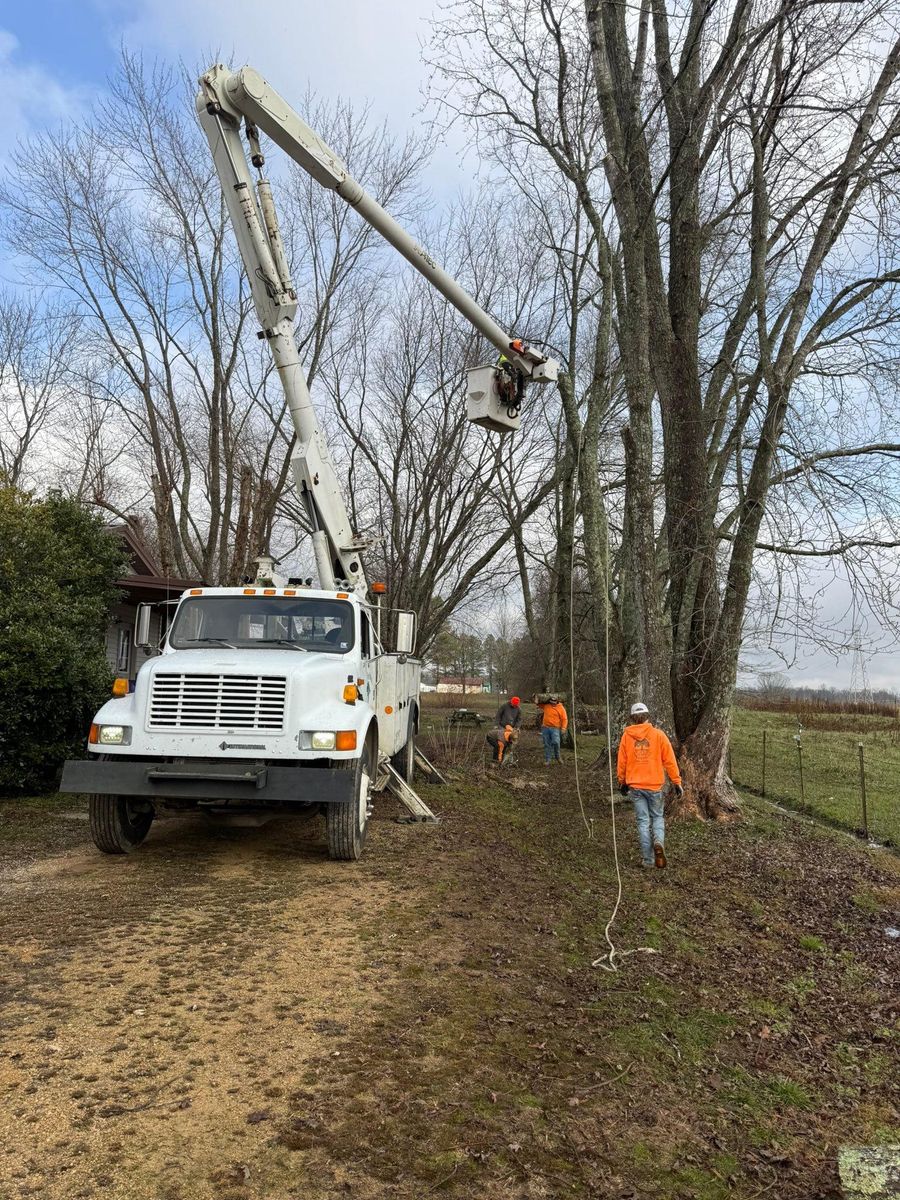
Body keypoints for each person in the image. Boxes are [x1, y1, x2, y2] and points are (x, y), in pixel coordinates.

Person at [616, 702, 683, 869]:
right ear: (647, 716)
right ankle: (658, 842)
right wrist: (676, 782)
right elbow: (670, 760)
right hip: (654, 787)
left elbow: (621, 762)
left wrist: (622, 781)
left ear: (632, 718)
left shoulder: (626, 737)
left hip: (636, 787)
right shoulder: (659, 735)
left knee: (642, 822)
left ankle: (648, 860)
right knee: (657, 818)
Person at [538, 694, 568, 765]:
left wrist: (564, 728)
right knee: (547, 744)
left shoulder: (561, 708)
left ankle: (558, 757)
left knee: (556, 742)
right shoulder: (546, 705)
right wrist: (536, 699)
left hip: (555, 728)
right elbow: (538, 704)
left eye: (554, 701)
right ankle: (547, 760)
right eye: (551, 701)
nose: (552, 703)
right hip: (545, 727)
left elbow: (564, 719)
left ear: (557, 701)